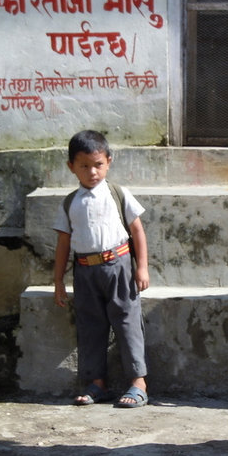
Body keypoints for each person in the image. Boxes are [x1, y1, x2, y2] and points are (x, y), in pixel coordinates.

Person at [53, 130, 150, 408]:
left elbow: (137, 230)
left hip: (119, 267)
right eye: (83, 165)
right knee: (90, 326)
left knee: (127, 322)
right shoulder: (70, 202)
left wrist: (141, 267)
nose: (92, 172)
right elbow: (63, 243)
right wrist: (58, 281)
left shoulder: (118, 194)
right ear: (71, 167)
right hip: (84, 272)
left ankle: (138, 383)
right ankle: (96, 383)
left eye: (98, 164)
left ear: (108, 161)